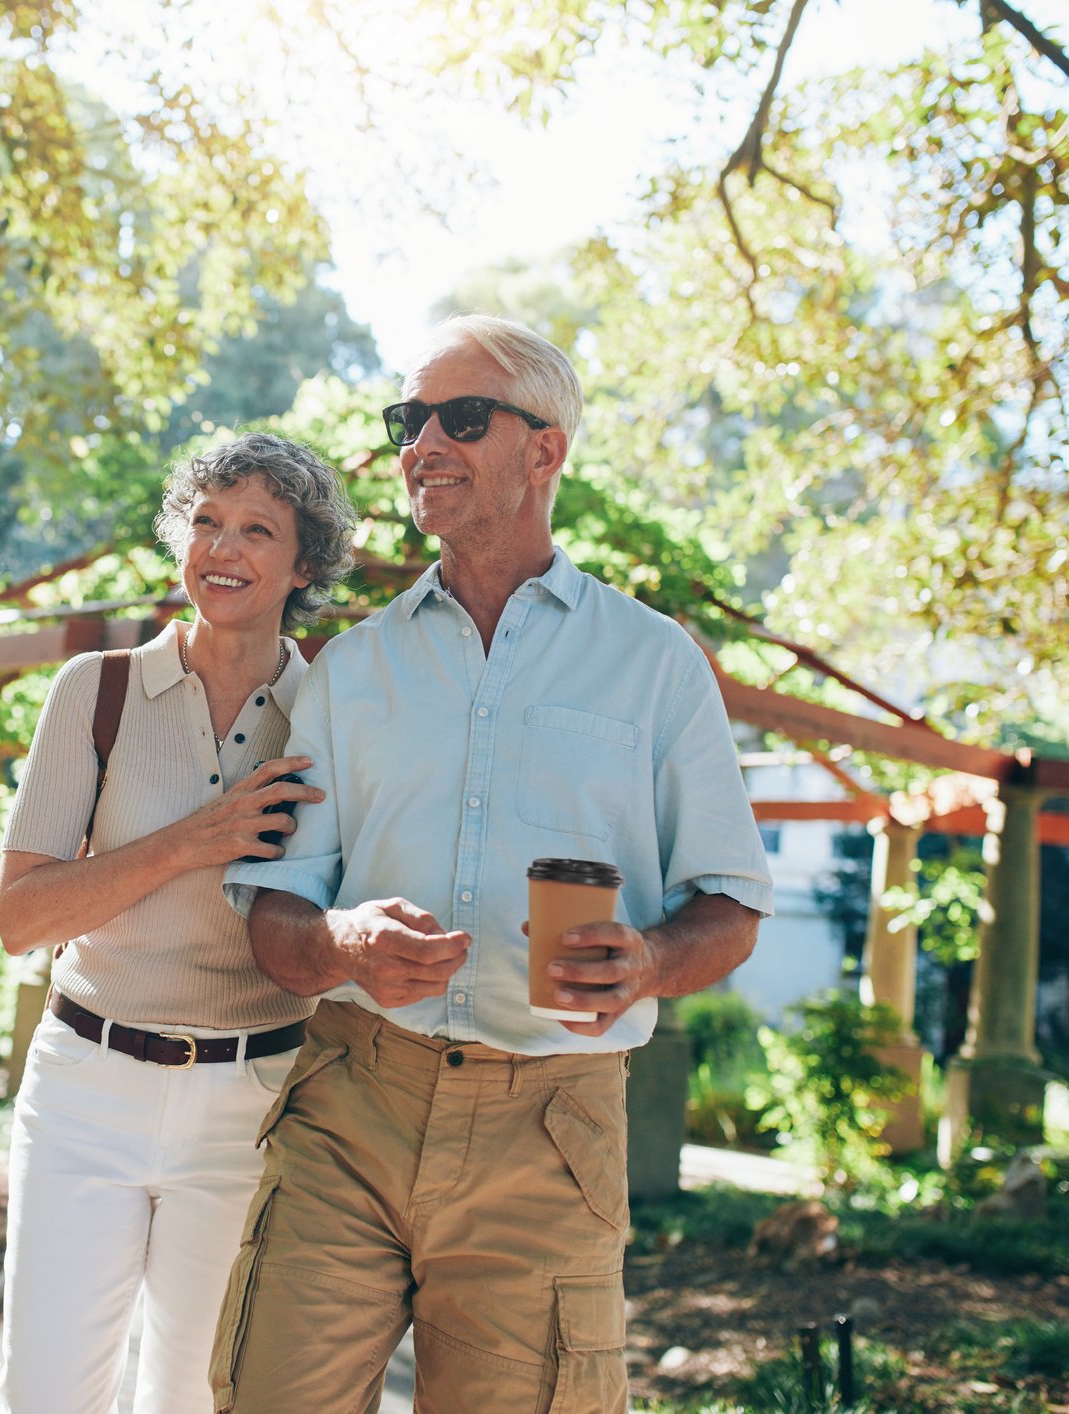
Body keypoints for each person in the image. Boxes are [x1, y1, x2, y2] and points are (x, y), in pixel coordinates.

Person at [213, 316, 774, 1413]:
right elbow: (277, 920)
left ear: (545, 450)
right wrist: (341, 944)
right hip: (351, 1105)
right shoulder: (351, 669)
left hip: (552, 1133)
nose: (422, 442)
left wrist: (649, 962)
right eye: (407, 420)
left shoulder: (655, 665)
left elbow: (733, 903)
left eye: (461, 417)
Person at [0, 432, 357, 1414]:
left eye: (255, 529)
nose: (221, 549)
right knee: (46, 1397)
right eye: (205, 522)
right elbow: (20, 917)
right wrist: (191, 842)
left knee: (197, 1398)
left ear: (305, 563)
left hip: (250, 1100)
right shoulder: (97, 691)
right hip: (84, 1090)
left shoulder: (332, 711)